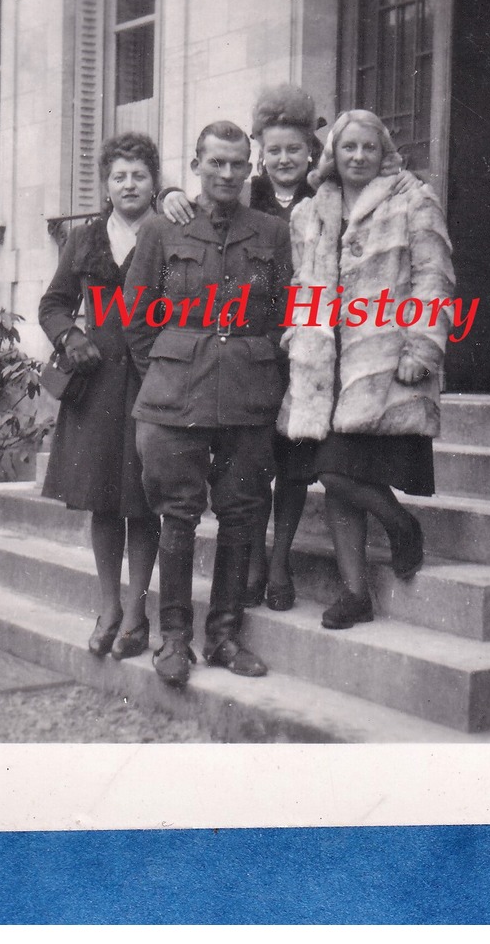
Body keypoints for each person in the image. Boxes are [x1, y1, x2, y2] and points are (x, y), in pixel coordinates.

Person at [125, 121, 293, 688]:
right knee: (177, 515)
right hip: (175, 399)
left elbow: (282, 313)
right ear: (196, 164)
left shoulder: (272, 232)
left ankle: (223, 635)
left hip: (248, 397)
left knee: (242, 516)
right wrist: (177, 367)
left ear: (251, 168)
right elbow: (138, 317)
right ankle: (174, 638)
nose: (226, 174)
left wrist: (252, 364)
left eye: (237, 164)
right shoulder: (161, 229)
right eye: (215, 163)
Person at [277, 109, 456, 629]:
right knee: (335, 478)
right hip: (323, 359)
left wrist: (422, 348)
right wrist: (298, 333)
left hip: (382, 358)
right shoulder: (308, 213)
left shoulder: (413, 200)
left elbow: (434, 278)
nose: (358, 157)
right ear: (332, 153)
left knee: (338, 470)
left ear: (385, 154)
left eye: (369, 148)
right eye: (348, 147)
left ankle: (401, 525)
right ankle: (356, 593)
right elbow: (301, 282)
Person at [160, 85, 322, 611]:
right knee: (253, 470)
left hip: (307, 344)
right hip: (246, 359)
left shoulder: (329, 196)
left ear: (310, 152)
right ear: (260, 153)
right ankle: (250, 565)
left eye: (293, 149)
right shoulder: (241, 192)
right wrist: (169, 195)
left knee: (294, 463)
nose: (283, 160)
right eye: (273, 150)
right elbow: (195, 205)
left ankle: (278, 564)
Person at [38, 132, 164, 659]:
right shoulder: (85, 239)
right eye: (120, 176)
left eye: (139, 174)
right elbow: (53, 304)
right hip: (97, 382)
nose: (129, 184)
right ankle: (108, 606)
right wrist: (72, 335)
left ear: (155, 181)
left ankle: (137, 612)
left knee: (145, 498)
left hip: (155, 378)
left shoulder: (170, 232)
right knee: (104, 502)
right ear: (106, 186)